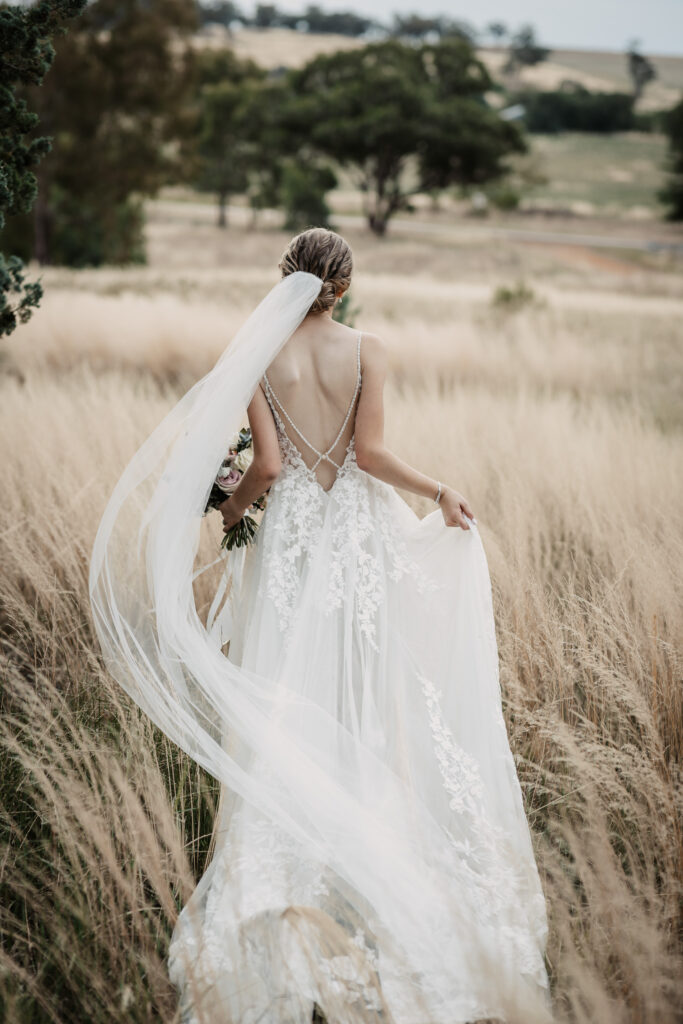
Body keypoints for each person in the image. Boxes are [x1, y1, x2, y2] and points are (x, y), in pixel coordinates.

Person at [90, 228, 550, 1024]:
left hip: (292, 545)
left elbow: (266, 469)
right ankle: (378, 858)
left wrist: (229, 515)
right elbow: (368, 455)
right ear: (344, 283)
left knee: (284, 690)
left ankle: (297, 874)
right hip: (358, 536)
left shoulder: (259, 357)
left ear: (287, 279)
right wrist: (440, 489)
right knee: (368, 693)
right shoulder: (368, 349)